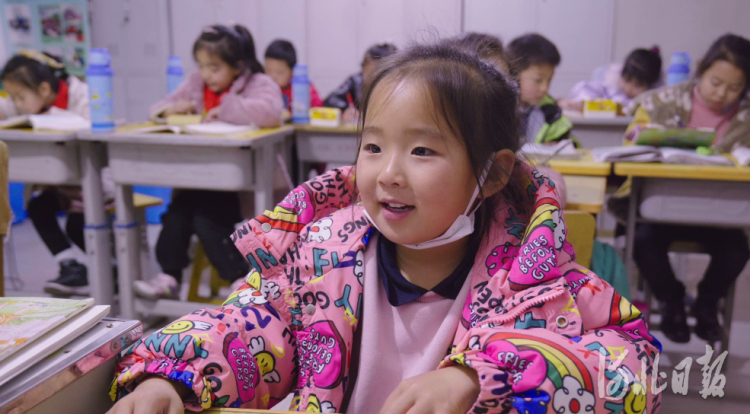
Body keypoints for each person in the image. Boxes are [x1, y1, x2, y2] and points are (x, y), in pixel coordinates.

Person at [108, 40, 661, 414]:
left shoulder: (537, 281)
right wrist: (170, 378)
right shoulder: (318, 258)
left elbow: (635, 367)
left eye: (422, 150)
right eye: (373, 146)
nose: (388, 173)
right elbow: (244, 325)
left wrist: (480, 378)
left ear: (492, 174)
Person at [135, 24, 284, 299]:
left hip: (239, 187)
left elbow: (271, 112)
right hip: (198, 179)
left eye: (214, 68)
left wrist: (225, 109)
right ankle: (169, 276)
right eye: (202, 66)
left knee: (207, 219)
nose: (206, 74)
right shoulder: (196, 83)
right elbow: (156, 109)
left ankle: (239, 279)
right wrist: (171, 109)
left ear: (237, 66)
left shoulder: (258, 83)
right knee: (176, 215)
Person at [627, 33, 750, 343]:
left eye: (735, 88)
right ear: (701, 71)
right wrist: (637, 134)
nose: (722, 94)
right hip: (664, 208)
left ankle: (707, 304)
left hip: (722, 214)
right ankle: (672, 302)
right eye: (715, 82)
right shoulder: (661, 102)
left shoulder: (746, 118)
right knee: (642, 240)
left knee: (738, 249)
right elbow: (631, 137)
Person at [1, 50, 99, 296]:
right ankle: (71, 267)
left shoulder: (81, 96)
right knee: (38, 207)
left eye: (20, 97)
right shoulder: (26, 103)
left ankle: (111, 269)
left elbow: (92, 130)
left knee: (78, 225)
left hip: (92, 185)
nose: (16, 104)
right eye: (12, 97)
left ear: (44, 89)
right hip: (57, 185)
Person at [506, 33, 574, 144]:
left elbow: (570, 144)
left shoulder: (549, 111)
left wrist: (559, 144)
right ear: (514, 74)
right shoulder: (497, 109)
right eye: (538, 80)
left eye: (549, 80)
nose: (544, 88)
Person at [560, 47, 662, 110]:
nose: (629, 89)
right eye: (627, 80)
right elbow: (583, 88)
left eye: (638, 85)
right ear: (621, 74)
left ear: (650, 85)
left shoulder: (651, 102)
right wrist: (582, 103)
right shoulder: (608, 86)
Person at [322, 43, 397, 123]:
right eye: (369, 75)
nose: (373, 81)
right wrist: (345, 109)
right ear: (363, 68)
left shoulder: (399, 87)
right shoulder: (355, 82)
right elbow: (330, 100)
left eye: (379, 76)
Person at [264, 39, 323, 113]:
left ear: (292, 71)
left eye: (280, 72)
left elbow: (317, 107)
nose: (273, 77)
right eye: (268, 70)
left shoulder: (301, 87)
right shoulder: (264, 88)